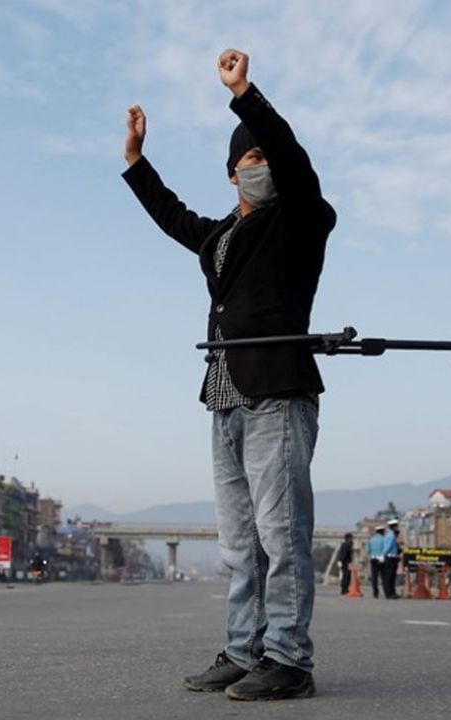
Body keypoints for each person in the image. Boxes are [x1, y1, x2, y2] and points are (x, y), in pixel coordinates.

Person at [122, 48, 334, 702]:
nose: (261, 166)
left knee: (282, 534)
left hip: (278, 393)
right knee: (241, 543)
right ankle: (245, 651)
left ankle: (289, 660)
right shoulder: (220, 238)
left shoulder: (301, 220)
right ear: (232, 174)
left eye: (265, 158)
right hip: (224, 397)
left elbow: (291, 158)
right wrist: (136, 162)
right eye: (249, 160)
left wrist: (244, 94)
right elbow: (173, 217)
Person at [382, 521, 401, 600]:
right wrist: (383, 555)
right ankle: (389, 593)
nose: (397, 528)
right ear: (394, 527)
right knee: (389, 576)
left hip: (391, 557)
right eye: (397, 526)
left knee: (391, 576)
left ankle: (392, 592)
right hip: (390, 557)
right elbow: (388, 547)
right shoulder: (391, 535)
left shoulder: (388, 535)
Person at [367, 526, 387, 599]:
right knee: (383, 576)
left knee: (374, 576)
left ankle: (375, 593)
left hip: (373, 558)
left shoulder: (371, 539)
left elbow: (368, 550)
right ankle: (386, 591)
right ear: (382, 532)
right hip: (381, 558)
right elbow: (386, 549)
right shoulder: (384, 539)